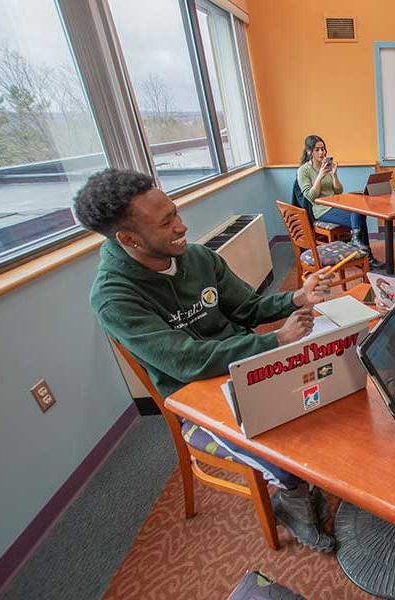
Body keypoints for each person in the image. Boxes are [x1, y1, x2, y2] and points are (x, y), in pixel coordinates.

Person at [74, 168, 336, 553]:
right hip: (193, 396)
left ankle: (295, 484)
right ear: (127, 238)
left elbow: (247, 308)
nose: (182, 227)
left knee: (324, 397)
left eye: (176, 213)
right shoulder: (114, 297)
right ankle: (291, 501)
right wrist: (276, 341)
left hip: (243, 366)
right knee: (286, 447)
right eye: (167, 223)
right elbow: (187, 363)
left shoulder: (198, 257)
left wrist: (295, 299)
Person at [296, 134, 382, 269]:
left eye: (323, 149)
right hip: (321, 209)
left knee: (359, 211)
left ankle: (359, 247)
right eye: (317, 149)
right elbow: (310, 196)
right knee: (358, 218)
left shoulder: (327, 166)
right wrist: (320, 176)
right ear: (309, 151)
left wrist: (334, 174)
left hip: (335, 204)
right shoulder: (303, 171)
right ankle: (366, 256)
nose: (322, 152)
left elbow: (338, 191)